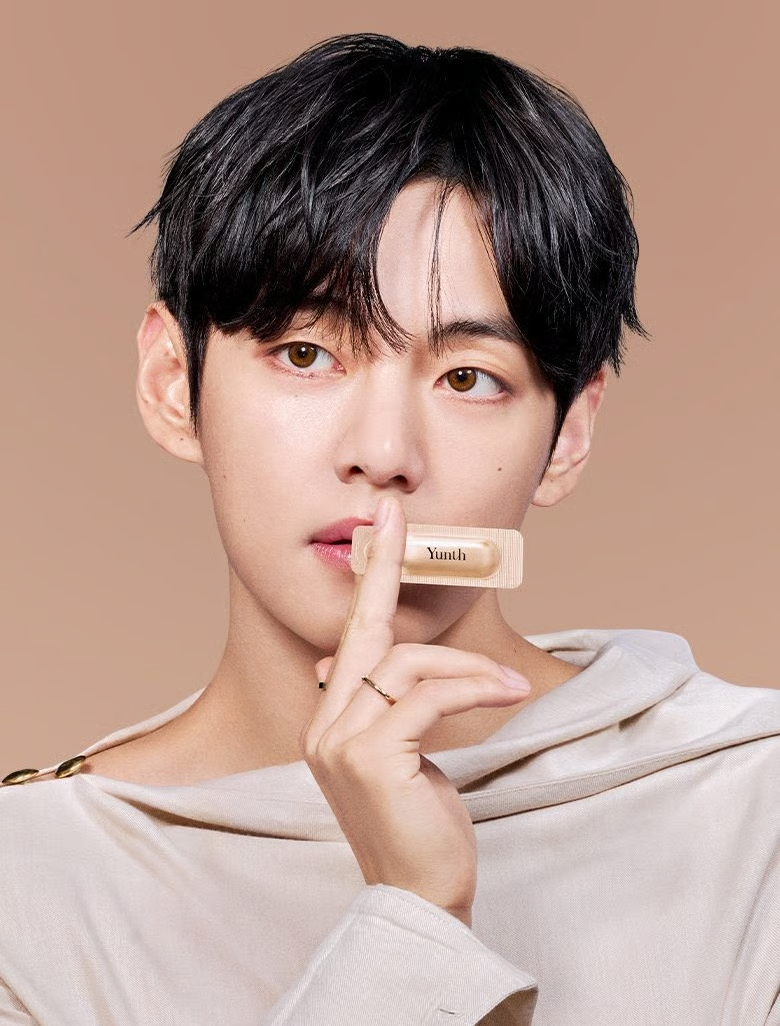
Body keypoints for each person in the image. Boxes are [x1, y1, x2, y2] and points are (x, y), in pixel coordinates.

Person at [1, 33, 778, 1026]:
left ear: (570, 434)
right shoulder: (28, 888)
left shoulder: (755, 805)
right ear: (170, 384)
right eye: (306, 354)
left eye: (469, 378)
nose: (384, 453)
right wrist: (413, 915)